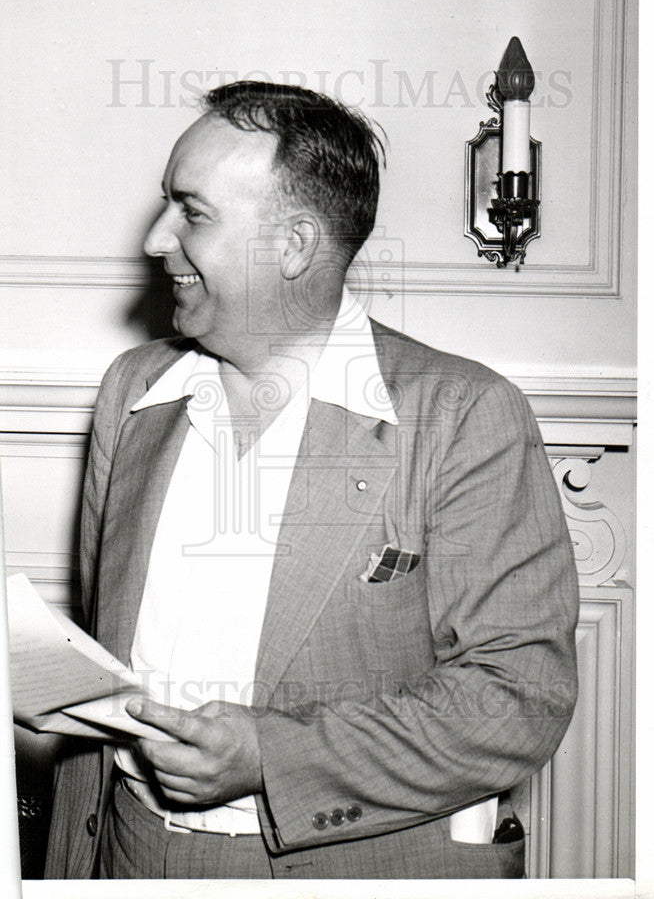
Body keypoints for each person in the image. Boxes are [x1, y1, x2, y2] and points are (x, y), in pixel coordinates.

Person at [45, 81, 578, 880]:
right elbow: (102, 645)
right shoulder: (131, 391)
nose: (156, 240)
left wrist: (272, 756)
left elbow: (517, 698)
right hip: (128, 855)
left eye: (192, 213)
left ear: (292, 245)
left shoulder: (464, 414)